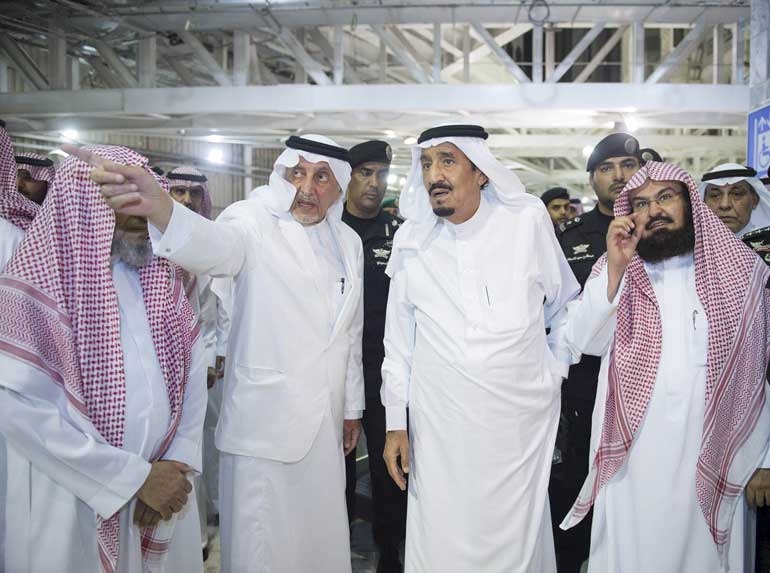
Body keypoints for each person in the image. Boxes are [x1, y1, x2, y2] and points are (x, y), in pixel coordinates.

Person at [69, 134, 366, 573]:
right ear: (282, 174)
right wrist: (163, 210)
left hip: (324, 430)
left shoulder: (347, 240)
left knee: (319, 549)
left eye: (321, 177)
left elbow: (349, 332)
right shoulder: (251, 220)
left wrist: (352, 407)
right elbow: (215, 245)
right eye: (297, 173)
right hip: (264, 430)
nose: (307, 187)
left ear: (339, 185)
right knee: (263, 552)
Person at [381, 124, 579, 571]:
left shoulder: (525, 221)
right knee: (442, 540)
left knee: (516, 543)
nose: (435, 174)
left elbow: (564, 307)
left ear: (482, 172)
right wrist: (396, 422)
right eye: (427, 163)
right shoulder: (412, 240)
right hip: (440, 431)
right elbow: (398, 344)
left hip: (515, 430)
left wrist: (553, 369)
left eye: (447, 161)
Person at [0, 145, 206, 573]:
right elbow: (18, 410)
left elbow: (193, 373)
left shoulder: (162, 279)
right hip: (72, 497)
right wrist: (132, 480)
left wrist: (174, 463)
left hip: (164, 490)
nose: (140, 213)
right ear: (82, 206)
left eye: (145, 199)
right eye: (120, 200)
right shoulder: (38, 287)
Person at [560, 161, 770, 573]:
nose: (654, 210)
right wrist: (617, 269)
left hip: (715, 455)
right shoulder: (613, 269)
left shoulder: (744, 272)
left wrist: (765, 459)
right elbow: (582, 341)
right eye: (641, 203)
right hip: (633, 462)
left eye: (665, 197)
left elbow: (758, 375)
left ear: (690, 203)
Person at [550, 132, 643, 573]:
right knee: (572, 492)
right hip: (584, 386)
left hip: (646, 384)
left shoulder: (665, 228)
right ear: (592, 179)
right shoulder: (569, 238)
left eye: (627, 165)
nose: (619, 176)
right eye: (607, 168)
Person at [341, 140, 406, 572]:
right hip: (335, 371)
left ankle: (391, 557)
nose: (373, 182)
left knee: (390, 473)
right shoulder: (324, 229)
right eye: (364, 172)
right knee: (336, 473)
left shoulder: (399, 235)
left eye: (380, 173)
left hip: (384, 370)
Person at [166, 165, 229, 560]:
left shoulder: (210, 241)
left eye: (193, 193)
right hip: (164, 362)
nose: (186, 200)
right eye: (177, 191)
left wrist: (213, 355)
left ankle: (204, 525)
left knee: (204, 444)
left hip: (201, 364)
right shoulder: (149, 239)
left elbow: (218, 306)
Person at [700, 163, 770, 236]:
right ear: (704, 203)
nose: (725, 205)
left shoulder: (766, 243)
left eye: (737, 194)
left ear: (754, 201)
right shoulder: (692, 245)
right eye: (715, 195)